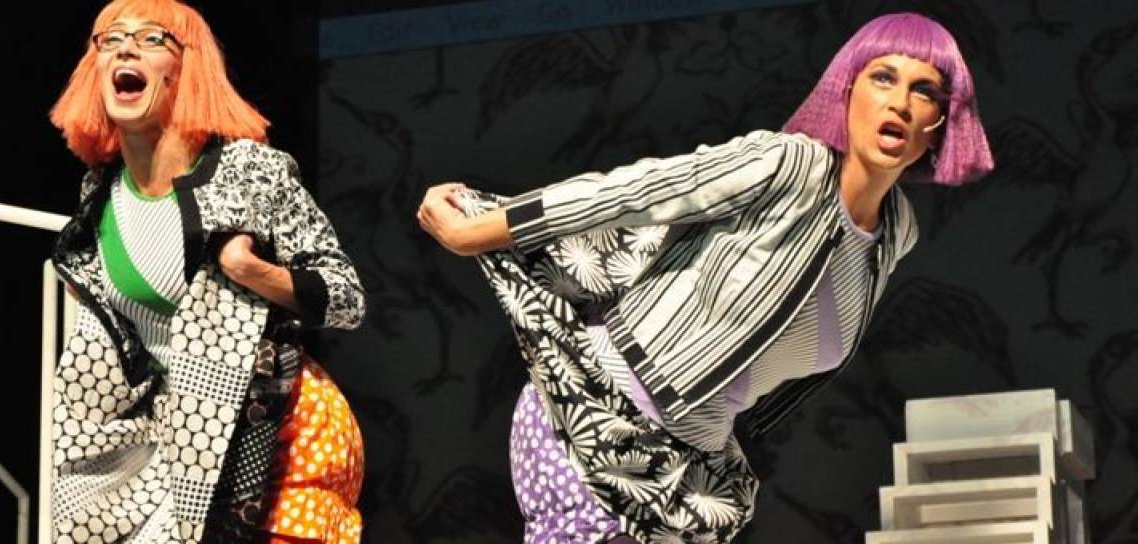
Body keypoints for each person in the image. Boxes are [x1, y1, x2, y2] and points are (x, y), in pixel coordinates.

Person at [418, 12, 993, 543]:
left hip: (686, 475)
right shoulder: (788, 166)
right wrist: (479, 231)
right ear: (847, 91)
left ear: (939, 125)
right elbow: (636, 192)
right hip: (592, 423)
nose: (900, 103)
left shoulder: (894, 233)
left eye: (925, 90)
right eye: (883, 78)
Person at [48, 0, 366, 541]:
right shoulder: (100, 192)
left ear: (186, 69)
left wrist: (250, 270)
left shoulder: (250, 170)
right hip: (180, 440)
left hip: (281, 429)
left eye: (152, 39)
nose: (125, 50)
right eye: (111, 40)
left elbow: (347, 298)